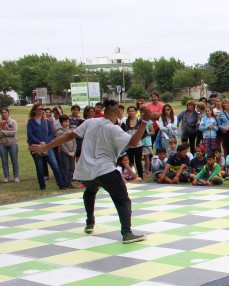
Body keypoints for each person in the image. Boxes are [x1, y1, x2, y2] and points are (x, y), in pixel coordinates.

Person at [32, 100, 150, 242]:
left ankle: (90, 222)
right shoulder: (114, 129)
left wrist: (46, 147)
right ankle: (127, 233)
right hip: (105, 170)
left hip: (86, 171)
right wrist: (144, 122)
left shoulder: (90, 122)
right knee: (123, 199)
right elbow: (132, 143)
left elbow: (68, 135)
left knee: (90, 190)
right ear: (117, 113)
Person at [26, 102, 69, 190]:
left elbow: (52, 134)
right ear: (34, 110)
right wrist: (39, 142)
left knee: (55, 165)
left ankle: (61, 184)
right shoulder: (31, 122)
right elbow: (30, 134)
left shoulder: (47, 121)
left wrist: (45, 143)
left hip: (48, 146)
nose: (42, 111)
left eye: (42, 109)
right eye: (39, 109)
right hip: (36, 147)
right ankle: (42, 186)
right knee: (40, 167)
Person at [0, 107, 20, 182]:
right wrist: (7, 132)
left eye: (5, 112)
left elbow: (14, 132)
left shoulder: (13, 122)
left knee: (14, 161)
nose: (4, 114)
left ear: (8, 113)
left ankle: (16, 176)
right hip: (2, 144)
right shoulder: (0, 122)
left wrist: (3, 132)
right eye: (2, 112)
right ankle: (6, 177)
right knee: (4, 161)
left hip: (12, 143)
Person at [56, 115, 77, 188]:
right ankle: (64, 183)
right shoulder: (60, 132)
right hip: (64, 153)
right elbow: (60, 144)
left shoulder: (70, 131)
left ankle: (69, 182)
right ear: (61, 122)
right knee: (65, 168)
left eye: (68, 121)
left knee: (71, 168)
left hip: (72, 152)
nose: (67, 123)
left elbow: (74, 141)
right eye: (65, 121)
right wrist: (67, 152)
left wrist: (74, 151)